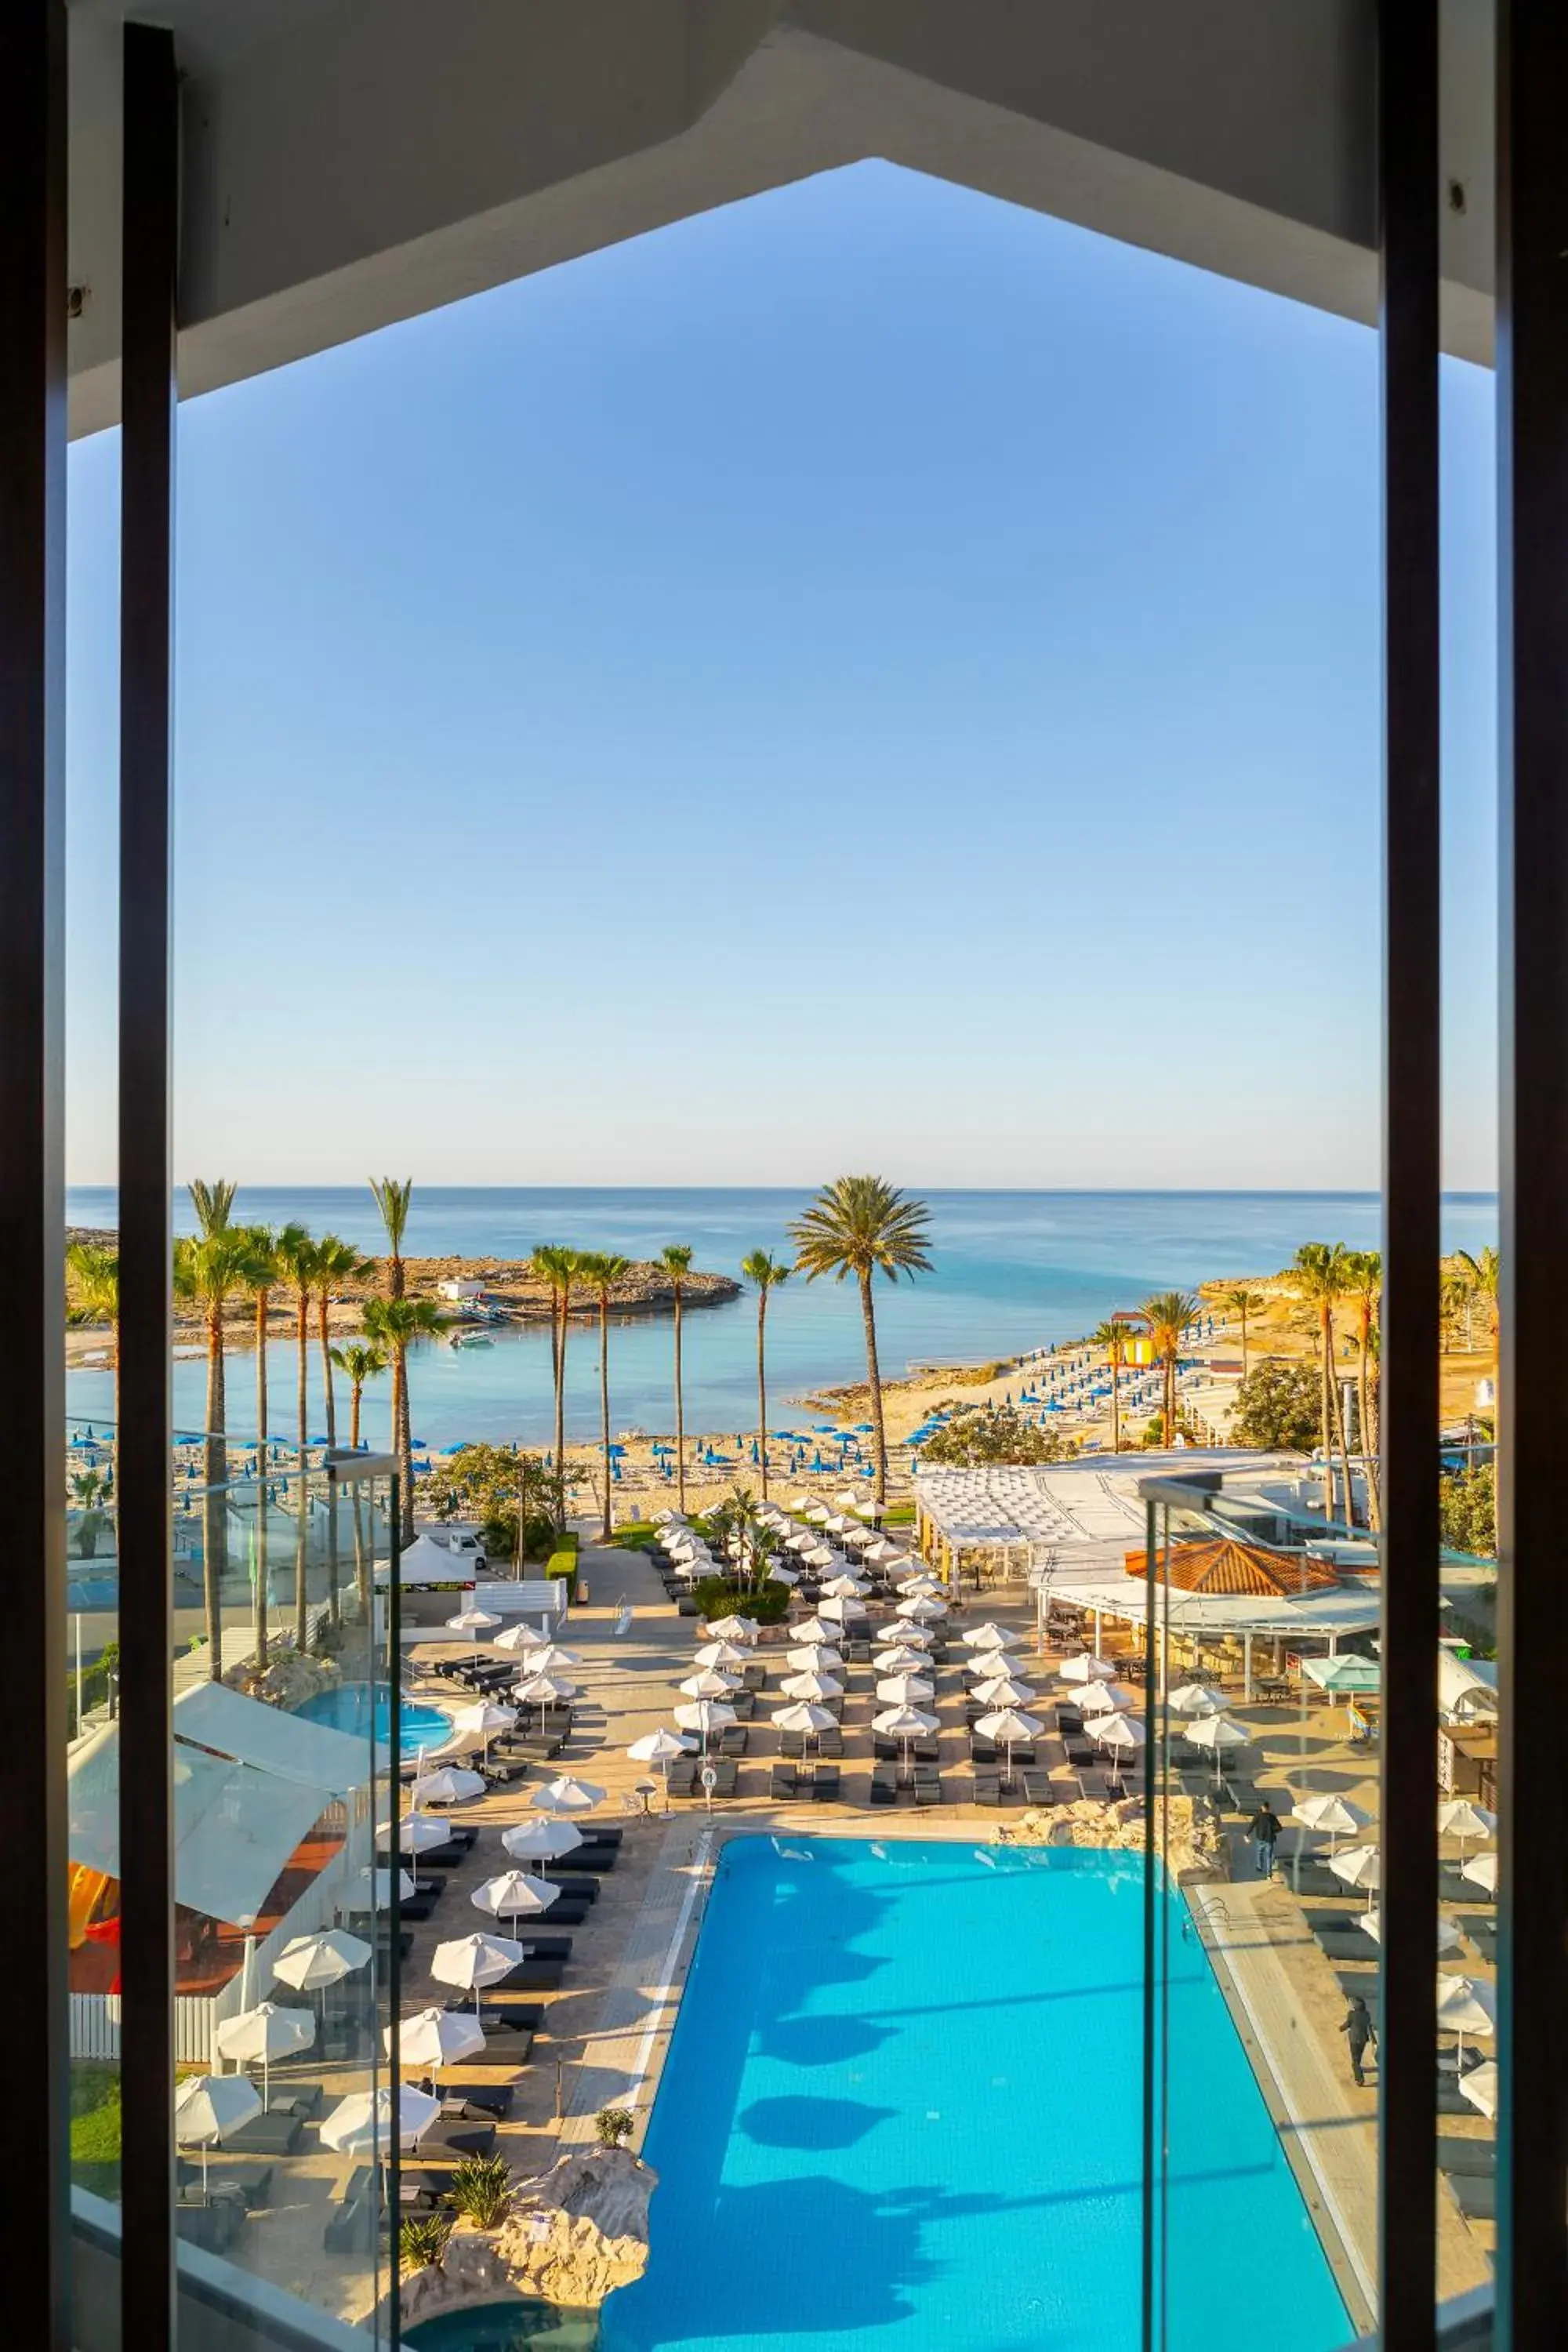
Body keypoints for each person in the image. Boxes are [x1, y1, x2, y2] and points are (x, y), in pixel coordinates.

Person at [1339, 1994, 1377, 2086]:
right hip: (1363, 2040)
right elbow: (1369, 2027)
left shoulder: (1352, 2014)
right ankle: (1359, 2068)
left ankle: (1360, 2079)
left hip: (1354, 2040)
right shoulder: (1367, 2015)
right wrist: (1374, 2040)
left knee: (1355, 2061)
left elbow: (1347, 2024)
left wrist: (1341, 2028)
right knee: (1358, 2055)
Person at [1251, 1801, 1282, 1878]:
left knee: (1260, 1853)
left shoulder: (1258, 1816)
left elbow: (1252, 1825)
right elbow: (1279, 1828)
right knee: (1269, 1856)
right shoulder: (1272, 1817)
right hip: (1269, 1839)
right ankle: (1269, 1873)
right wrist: (1272, 1830)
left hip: (1261, 1839)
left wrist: (1246, 1834)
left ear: (1262, 1807)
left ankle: (1259, 1867)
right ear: (1269, 1808)